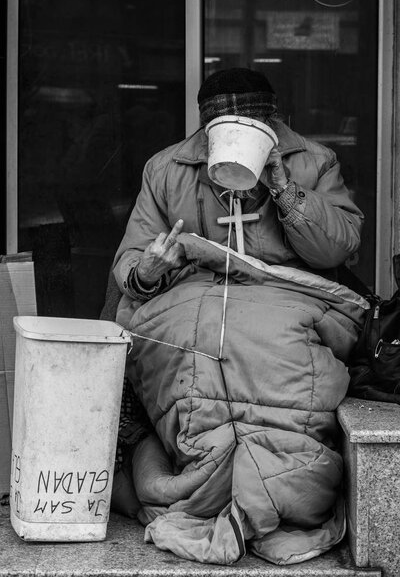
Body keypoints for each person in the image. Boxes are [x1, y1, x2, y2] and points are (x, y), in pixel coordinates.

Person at [112, 68, 368, 565]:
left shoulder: (313, 160)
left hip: (290, 294)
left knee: (271, 338)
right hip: (189, 296)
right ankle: (210, 463)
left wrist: (284, 187)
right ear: (205, 131)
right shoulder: (166, 168)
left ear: (274, 122)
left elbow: (338, 246)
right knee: (189, 336)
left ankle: (262, 474)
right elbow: (129, 264)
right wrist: (149, 268)